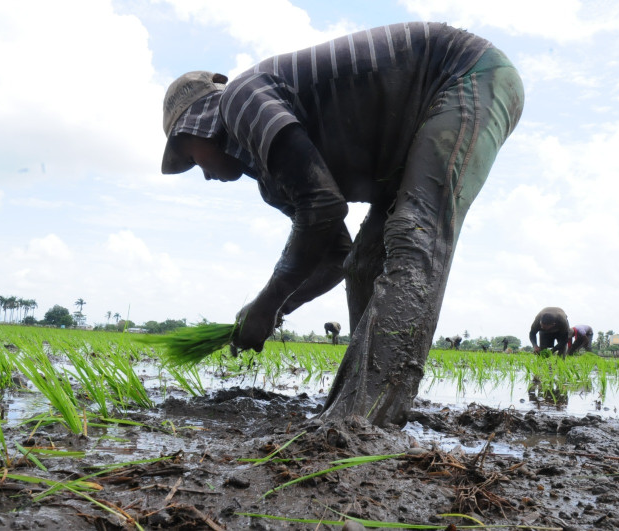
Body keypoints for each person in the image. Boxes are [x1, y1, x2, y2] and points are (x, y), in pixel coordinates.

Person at [161, 22, 524, 426]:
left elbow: (323, 207)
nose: (201, 172)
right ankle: (358, 409)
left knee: (414, 232)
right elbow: (335, 257)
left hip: (464, 76)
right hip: (408, 139)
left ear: (197, 124)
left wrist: (266, 301)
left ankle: (363, 418)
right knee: (364, 263)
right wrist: (276, 308)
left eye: (189, 157)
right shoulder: (272, 180)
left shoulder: (239, 100)